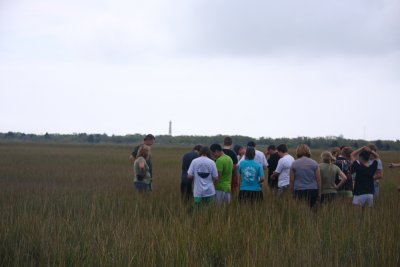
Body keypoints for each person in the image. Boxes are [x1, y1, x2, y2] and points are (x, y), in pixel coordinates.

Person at [290, 144, 321, 208]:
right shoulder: (314, 163)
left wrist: (292, 192)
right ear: (308, 151)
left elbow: (291, 180)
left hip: (299, 190)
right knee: (312, 209)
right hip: (313, 190)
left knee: (301, 210)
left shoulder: (294, 163)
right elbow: (318, 179)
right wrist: (319, 193)